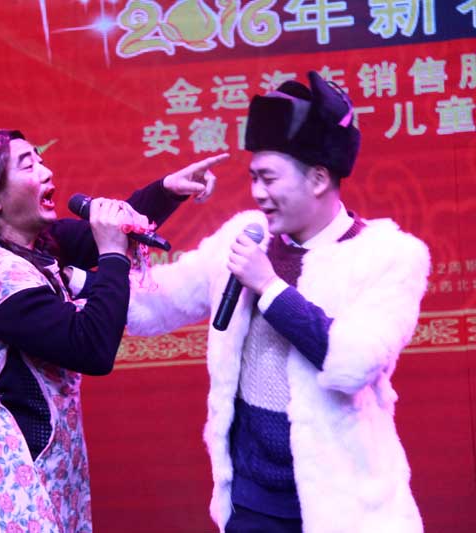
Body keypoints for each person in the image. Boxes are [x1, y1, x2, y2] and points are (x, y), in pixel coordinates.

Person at [126, 72, 429, 533]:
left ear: (319, 178)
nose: (257, 193)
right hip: (253, 502)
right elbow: (155, 304)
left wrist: (269, 288)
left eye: (268, 178)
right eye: (253, 178)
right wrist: (83, 273)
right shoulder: (245, 236)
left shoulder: (390, 255)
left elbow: (354, 362)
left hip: (347, 505)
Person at [0, 128, 227, 533]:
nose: (46, 171)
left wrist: (167, 190)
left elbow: (96, 236)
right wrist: (112, 254)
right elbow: (91, 347)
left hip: (42, 468)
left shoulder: (33, 242)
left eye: (41, 159)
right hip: (3, 483)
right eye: (28, 166)